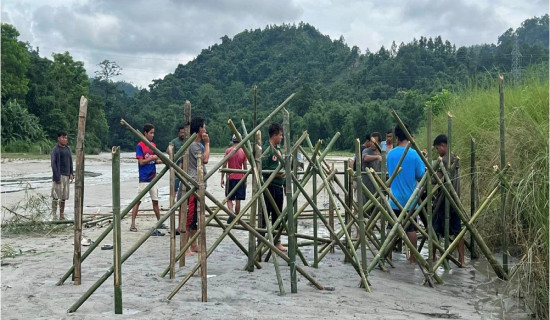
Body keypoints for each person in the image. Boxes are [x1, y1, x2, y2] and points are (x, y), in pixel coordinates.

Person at [386, 125, 425, 264]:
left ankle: (388, 256)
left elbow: (390, 173)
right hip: (410, 199)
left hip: (394, 199)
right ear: (409, 137)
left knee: (391, 228)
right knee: (411, 229)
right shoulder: (414, 154)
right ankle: (413, 258)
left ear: (397, 138)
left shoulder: (390, 154)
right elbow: (421, 174)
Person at [432, 134, 465, 267]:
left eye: (438, 148)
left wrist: (429, 175)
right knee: (458, 231)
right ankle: (462, 260)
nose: (438, 151)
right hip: (455, 198)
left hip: (444, 199)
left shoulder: (444, 160)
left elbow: (437, 179)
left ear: (443, 146)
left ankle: (433, 257)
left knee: (434, 229)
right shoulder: (455, 158)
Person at [130, 123, 166, 236]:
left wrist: (158, 160)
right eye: (150, 133)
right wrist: (152, 158)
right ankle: (132, 224)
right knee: (138, 201)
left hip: (153, 178)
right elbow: (141, 162)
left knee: (155, 201)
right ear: (145, 133)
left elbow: (155, 160)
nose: (152, 135)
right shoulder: (140, 146)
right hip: (144, 178)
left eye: (153, 133)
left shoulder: (153, 145)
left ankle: (159, 222)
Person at [186, 116, 210, 254]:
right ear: (199, 129)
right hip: (194, 184)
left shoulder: (197, 145)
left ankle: (194, 244)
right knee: (190, 216)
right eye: (203, 127)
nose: (205, 129)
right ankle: (187, 246)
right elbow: (205, 159)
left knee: (196, 216)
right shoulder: (194, 146)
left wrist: (205, 144)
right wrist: (207, 144)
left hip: (199, 183)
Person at [262, 123, 287, 252]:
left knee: (277, 215)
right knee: (265, 215)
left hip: (278, 186)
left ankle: (277, 241)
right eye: (280, 135)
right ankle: (261, 241)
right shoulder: (267, 149)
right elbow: (263, 169)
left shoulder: (277, 149)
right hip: (269, 186)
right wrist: (276, 174)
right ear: (275, 135)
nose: (282, 137)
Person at [221, 134, 248, 224]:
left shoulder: (228, 151)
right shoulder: (243, 151)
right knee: (238, 200)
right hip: (240, 177)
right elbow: (245, 167)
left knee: (229, 198)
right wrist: (245, 179)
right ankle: (236, 218)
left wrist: (222, 177)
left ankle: (231, 213)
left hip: (230, 177)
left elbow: (224, 164)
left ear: (232, 140)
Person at [167, 126, 186, 235]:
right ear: (178, 133)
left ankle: (181, 225)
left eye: (184, 132)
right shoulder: (174, 142)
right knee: (175, 196)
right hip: (176, 171)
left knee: (183, 199)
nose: (182, 134)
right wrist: (172, 156)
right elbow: (168, 150)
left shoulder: (188, 141)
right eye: (181, 132)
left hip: (185, 172)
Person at [51, 131, 74, 220]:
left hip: (66, 175)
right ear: (59, 138)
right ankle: (53, 215)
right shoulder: (55, 150)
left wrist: (71, 173)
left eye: (66, 138)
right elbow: (53, 164)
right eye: (63, 137)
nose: (65, 139)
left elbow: (70, 162)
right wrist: (57, 177)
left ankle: (61, 215)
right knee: (56, 196)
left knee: (64, 197)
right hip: (59, 176)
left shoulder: (68, 149)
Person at [361, 132, 382, 212]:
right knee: (366, 209)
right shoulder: (366, 150)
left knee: (377, 210)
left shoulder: (382, 152)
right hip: (367, 185)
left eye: (375, 142)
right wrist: (377, 157)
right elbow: (365, 158)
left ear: (379, 143)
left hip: (378, 186)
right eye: (371, 142)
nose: (372, 144)